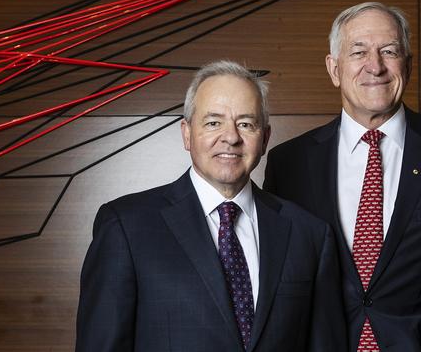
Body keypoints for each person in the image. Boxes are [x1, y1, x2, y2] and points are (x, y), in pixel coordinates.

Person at [264, 2, 421, 352]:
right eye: (358, 52)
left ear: (408, 66)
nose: (375, 66)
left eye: (389, 51)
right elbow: (276, 283)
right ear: (334, 68)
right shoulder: (289, 162)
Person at [76, 60, 347, 352]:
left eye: (245, 123)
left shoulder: (310, 235)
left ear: (265, 138)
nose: (230, 137)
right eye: (213, 122)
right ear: (187, 133)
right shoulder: (125, 227)